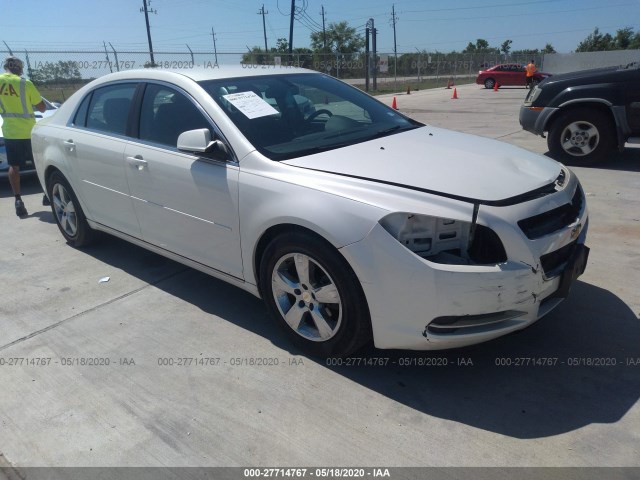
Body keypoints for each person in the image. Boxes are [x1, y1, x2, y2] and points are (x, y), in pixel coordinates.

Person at [0, 56, 46, 218]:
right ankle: (47, 194)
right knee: (39, 163)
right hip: (29, 131)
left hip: (10, 132)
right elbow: (42, 107)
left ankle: (18, 200)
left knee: (14, 166)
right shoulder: (24, 83)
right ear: (19, 68)